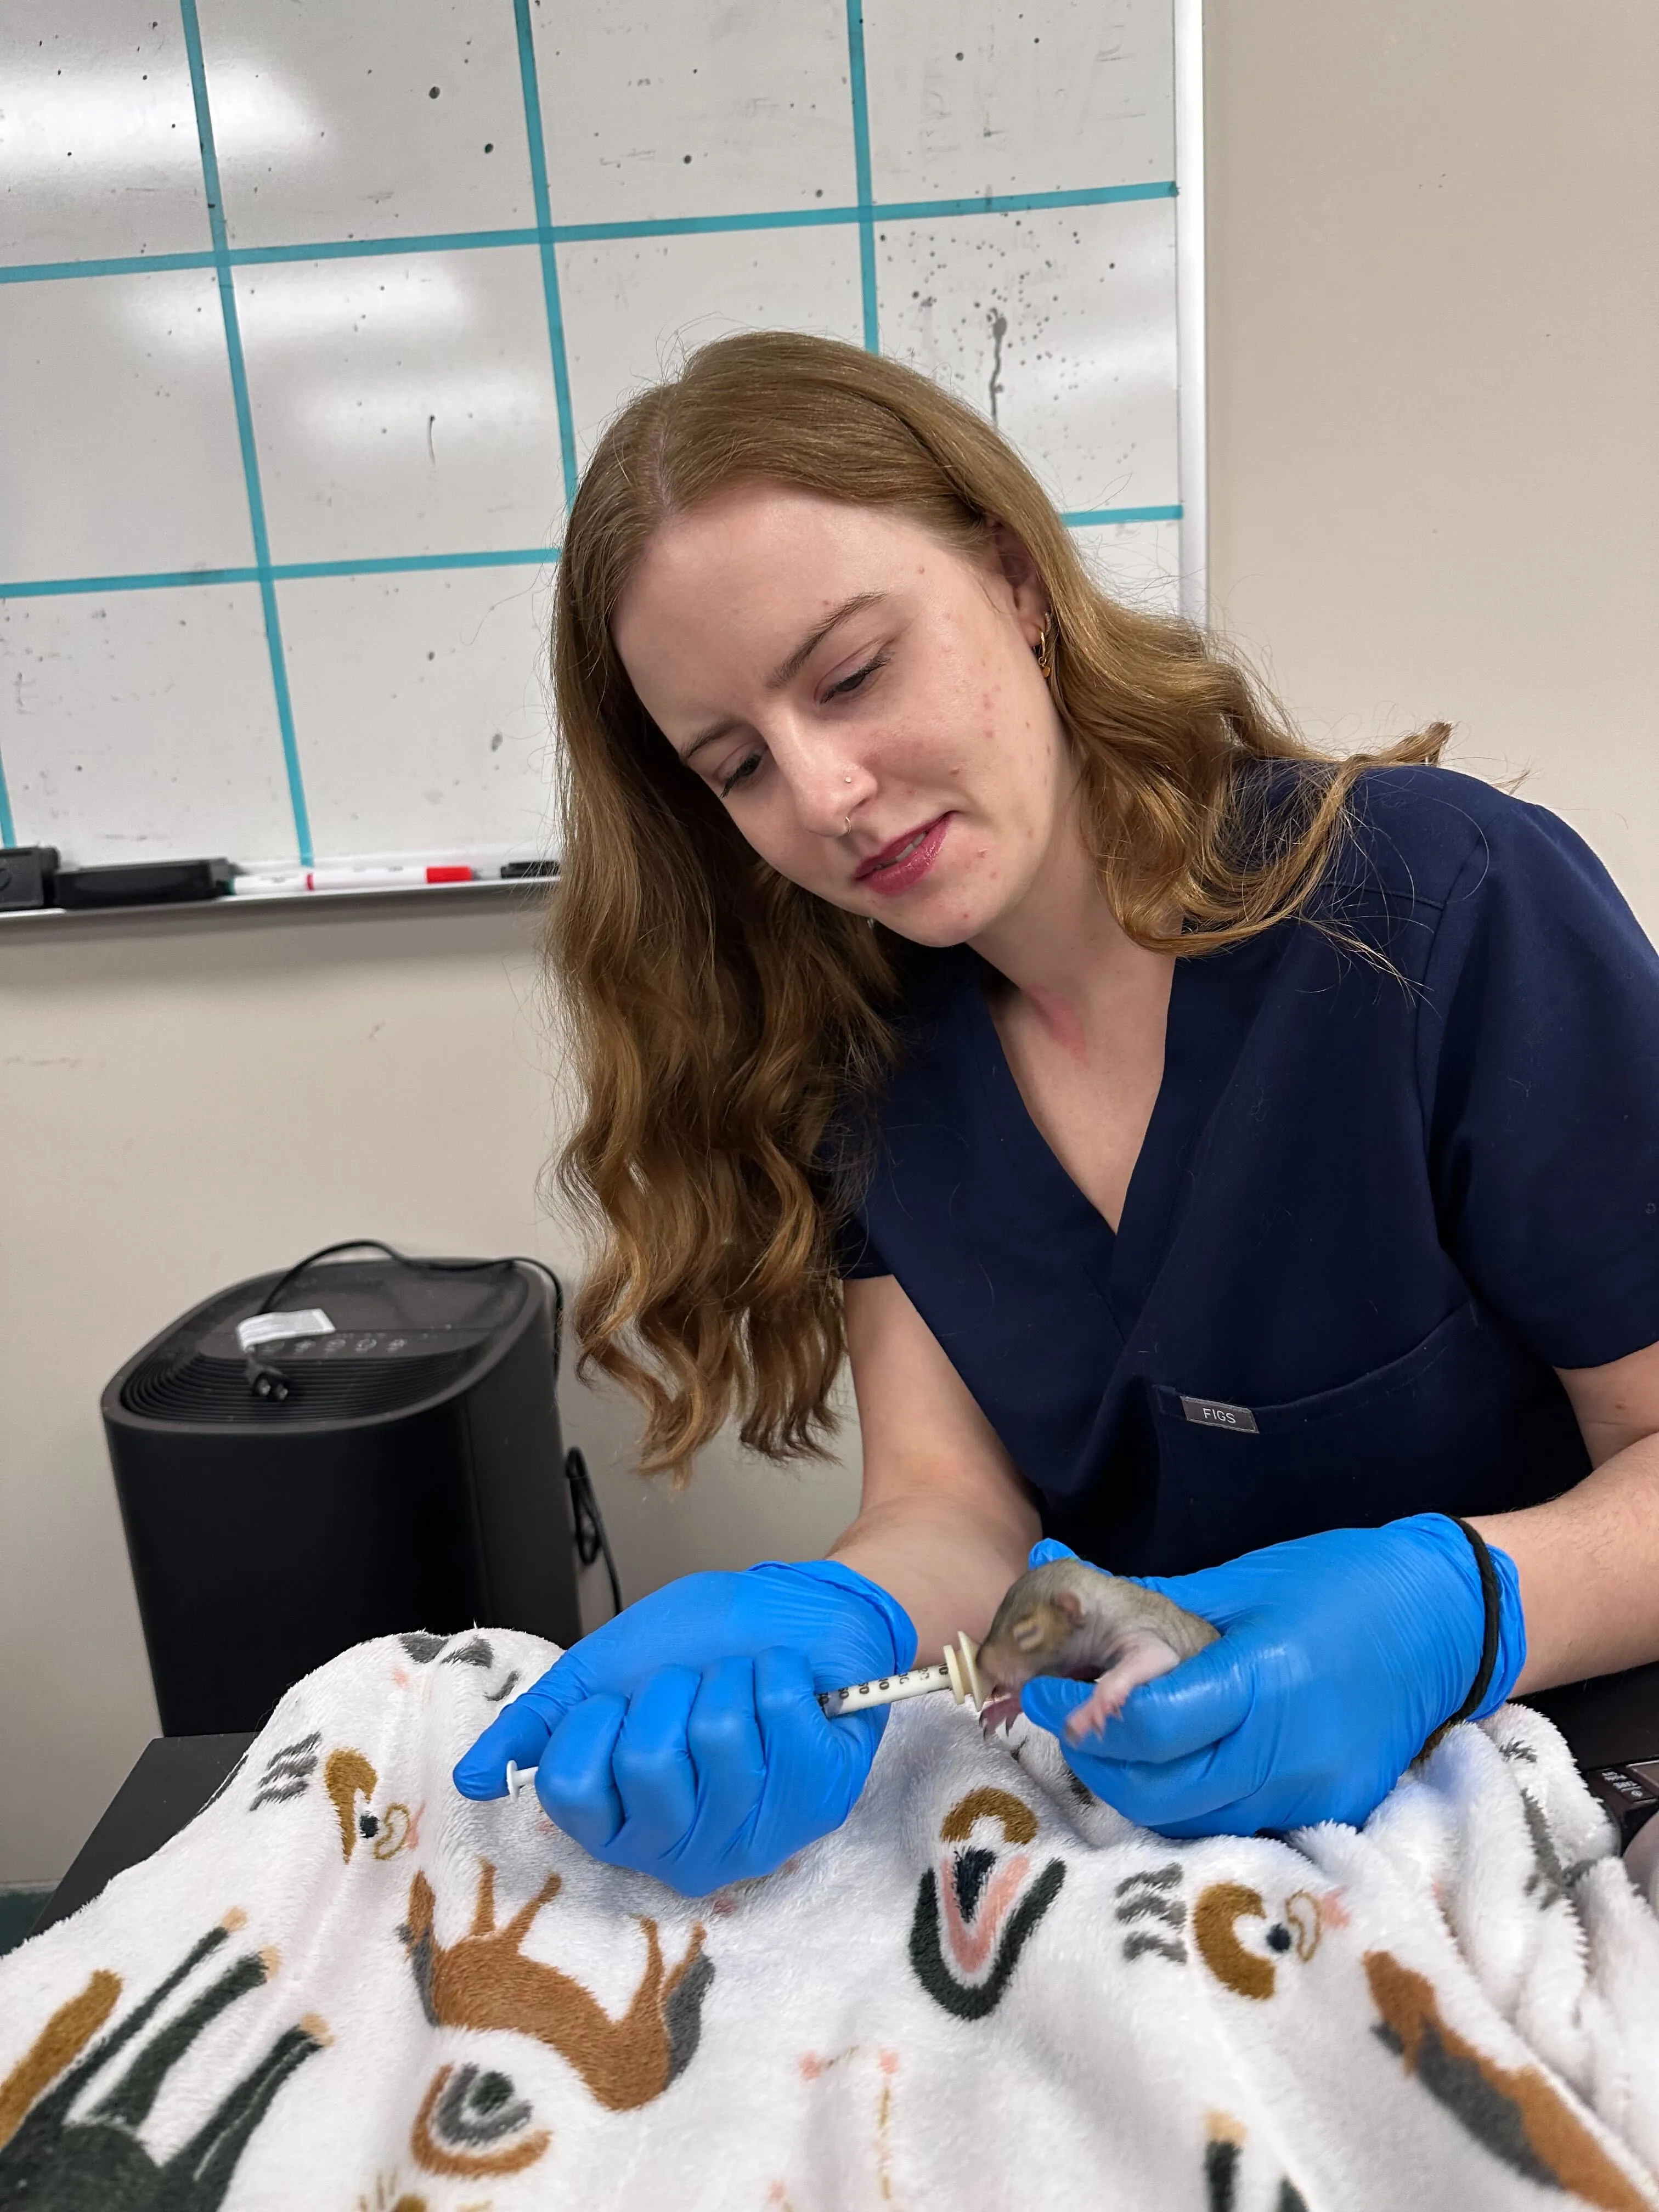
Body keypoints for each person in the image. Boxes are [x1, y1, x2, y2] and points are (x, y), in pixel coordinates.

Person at [455, 332, 1659, 1893]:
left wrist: (1462, 1608)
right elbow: (956, 1513)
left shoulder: (1438, 912)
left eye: (854, 675)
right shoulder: (866, 1062)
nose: (824, 797)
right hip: (1183, 1848)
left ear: (1019, 583)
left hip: (1567, 1798)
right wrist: (845, 1618)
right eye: (739, 764)